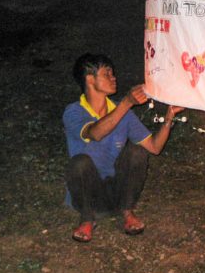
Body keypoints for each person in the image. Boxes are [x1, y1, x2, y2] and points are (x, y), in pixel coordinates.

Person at [63, 53, 183, 242]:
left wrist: (169, 118)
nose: (114, 78)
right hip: (88, 194)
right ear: (89, 79)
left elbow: (154, 147)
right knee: (79, 163)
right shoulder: (74, 111)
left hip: (116, 194)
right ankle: (87, 218)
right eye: (107, 74)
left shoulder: (121, 111)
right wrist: (127, 103)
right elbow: (95, 133)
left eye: (113, 73)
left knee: (137, 151)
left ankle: (126, 211)